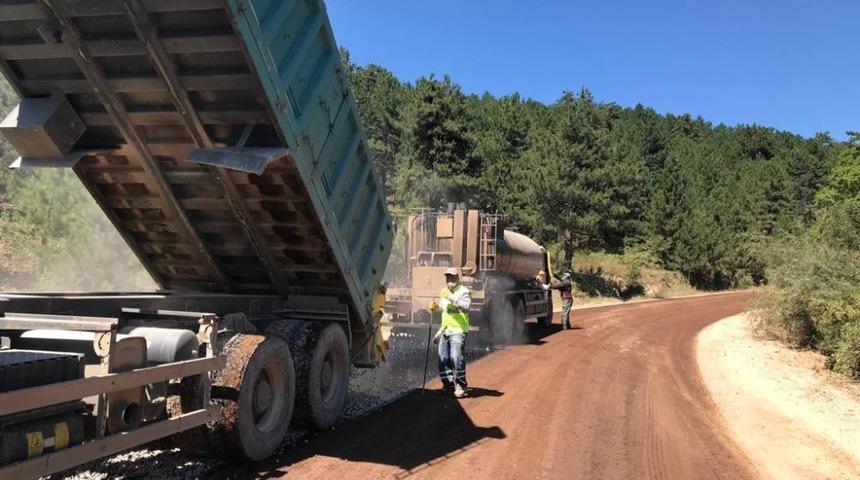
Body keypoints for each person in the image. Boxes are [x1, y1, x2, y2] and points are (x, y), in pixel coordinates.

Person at [430, 267, 471, 398]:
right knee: (443, 358)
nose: (450, 280)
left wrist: (452, 298)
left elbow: (466, 306)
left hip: (458, 330)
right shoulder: (444, 292)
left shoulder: (464, 291)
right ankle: (448, 385)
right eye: (448, 278)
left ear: (457, 278)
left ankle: (461, 386)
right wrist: (435, 307)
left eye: (452, 277)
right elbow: (444, 309)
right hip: (445, 329)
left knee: (456, 357)